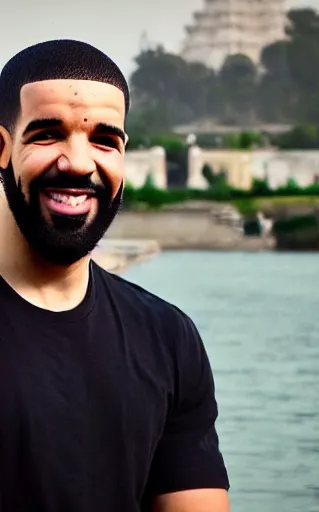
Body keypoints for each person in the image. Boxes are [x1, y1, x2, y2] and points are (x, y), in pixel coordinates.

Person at [0, 39, 230, 511]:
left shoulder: (168, 339)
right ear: (1, 149)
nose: (79, 163)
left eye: (105, 140)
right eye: (47, 134)